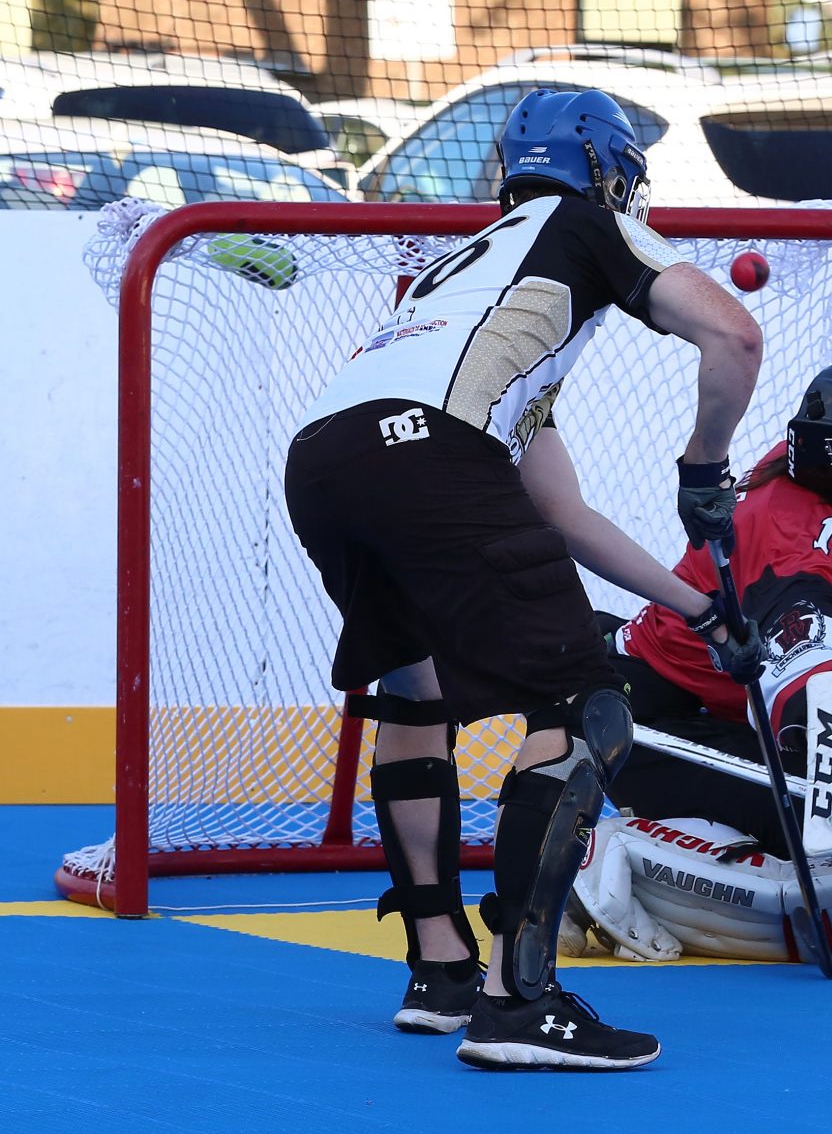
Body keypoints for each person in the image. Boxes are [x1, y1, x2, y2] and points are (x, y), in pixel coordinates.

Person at [283, 88, 766, 1071]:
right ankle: (522, 1001)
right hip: (430, 458)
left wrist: (697, 610)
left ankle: (442, 970)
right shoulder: (589, 225)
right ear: (606, 168)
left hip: (328, 458)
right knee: (585, 706)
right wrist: (705, 467)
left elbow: (561, 514)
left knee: (414, 692)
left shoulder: (467, 290)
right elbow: (733, 334)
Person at [563, 356, 832, 966]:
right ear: (829, 463)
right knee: (825, 835)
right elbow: (813, 708)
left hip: (728, 709)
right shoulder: (804, 557)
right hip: (650, 721)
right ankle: (605, 851)